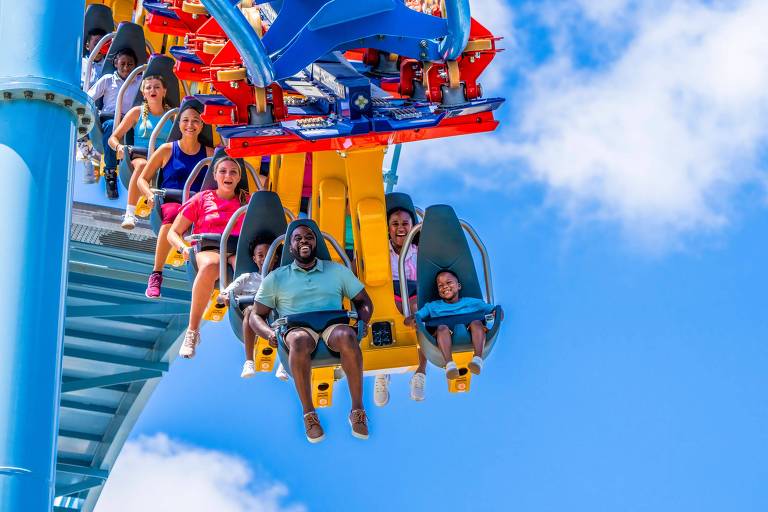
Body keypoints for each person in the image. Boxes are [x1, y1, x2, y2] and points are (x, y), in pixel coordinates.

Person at [249, 224, 374, 443]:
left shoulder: (336, 270)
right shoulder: (276, 278)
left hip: (332, 324)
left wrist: (362, 322)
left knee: (346, 335)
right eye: (298, 238)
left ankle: (357, 410)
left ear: (316, 243)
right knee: (298, 340)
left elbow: (363, 301)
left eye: (309, 237)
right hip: (297, 327)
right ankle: (309, 414)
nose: (304, 241)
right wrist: (268, 333)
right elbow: (256, 315)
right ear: (290, 247)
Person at [168, 157, 250, 357]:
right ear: (214, 175)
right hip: (210, 249)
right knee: (211, 266)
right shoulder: (202, 198)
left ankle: (254, 329)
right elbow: (173, 232)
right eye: (222, 171)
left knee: (248, 273)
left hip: (237, 249)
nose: (228, 176)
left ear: (239, 177)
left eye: (233, 172)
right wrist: (183, 249)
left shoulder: (247, 201)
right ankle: (192, 331)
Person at [137, 102, 213, 298]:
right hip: (173, 200)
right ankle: (156, 273)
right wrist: (150, 194)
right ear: (179, 124)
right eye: (186, 120)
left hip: (198, 204)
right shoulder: (166, 149)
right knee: (172, 215)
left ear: (201, 125)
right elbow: (142, 179)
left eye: (195, 121)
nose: (190, 125)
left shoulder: (210, 153)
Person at [373, 207, 427, 405]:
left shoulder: (419, 252)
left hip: (413, 295)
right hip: (387, 294)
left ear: (413, 227)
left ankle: (420, 373)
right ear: (388, 228)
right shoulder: (380, 251)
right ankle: (382, 372)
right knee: (381, 311)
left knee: (418, 310)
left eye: (405, 224)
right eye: (395, 224)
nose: (400, 228)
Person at [107, 75, 173, 229]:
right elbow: (113, 138)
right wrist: (119, 148)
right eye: (148, 87)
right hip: (140, 156)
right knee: (143, 165)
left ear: (164, 91)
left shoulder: (172, 115)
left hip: (162, 160)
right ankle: (130, 213)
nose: (152, 90)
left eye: (157, 87)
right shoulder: (137, 112)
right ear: (143, 93)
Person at [405, 270, 496, 378]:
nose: (445, 286)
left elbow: (495, 311)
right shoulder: (432, 306)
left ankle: (478, 359)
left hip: (470, 330)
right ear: (438, 291)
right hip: (445, 333)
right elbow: (413, 318)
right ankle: (449, 364)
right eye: (440, 285)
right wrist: (412, 321)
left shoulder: (472, 302)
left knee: (476, 323)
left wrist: (497, 314)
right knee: (442, 328)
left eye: (449, 282)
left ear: (458, 286)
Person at [87, 47, 141, 199]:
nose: (125, 67)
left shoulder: (138, 82)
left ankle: (131, 167)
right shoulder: (108, 80)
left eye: (130, 64)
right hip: (109, 118)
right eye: (122, 63)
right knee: (111, 127)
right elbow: (90, 97)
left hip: (128, 120)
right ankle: (110, 172)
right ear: (116, 63)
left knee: (132, 133)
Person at [217, 238, 271, 378]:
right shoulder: (247, 278)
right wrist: (225, 297)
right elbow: (223, 294)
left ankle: (284, 363)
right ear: (254, 259)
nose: (265, 258)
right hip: (252, 310)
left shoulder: (278, 277)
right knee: (251, 312)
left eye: (268, 254)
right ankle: (249, 361)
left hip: (272, 311)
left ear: (275, 257)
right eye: (260, 255)